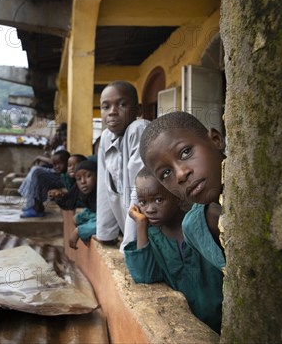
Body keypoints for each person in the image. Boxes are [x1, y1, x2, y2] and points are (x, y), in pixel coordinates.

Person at [124, 167, 223, 333]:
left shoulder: (201, 224)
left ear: (177, 197)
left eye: (158, 199)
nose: (149, 209)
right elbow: (144, 276)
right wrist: (141, 225)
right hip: (190, 330)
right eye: (143, 202)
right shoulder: (153, 237)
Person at [139, 111, 226, 271]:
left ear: (216, 140)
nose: (180, 175)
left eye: (185, 152)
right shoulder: (193, 228)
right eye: (166, 173)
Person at [96, 81, 149, 251]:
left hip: (150, 227)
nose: (112, 112)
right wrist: (105, 233)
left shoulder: (138, 129)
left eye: (122, 104)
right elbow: (104, 189)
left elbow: (140, 189)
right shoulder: (105, 137)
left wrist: (129, 244)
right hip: (128, 227)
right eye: (106, 107)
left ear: (138, 110)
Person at [19, 150, 70, 218]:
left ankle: (35, 208)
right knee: (35, 170)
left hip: (61, 180)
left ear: (67, 162)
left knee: (38, 172)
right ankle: (37, 206)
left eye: (59, 163)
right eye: (54, 164)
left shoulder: (69, 170)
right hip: (58, 177)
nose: (57, 166)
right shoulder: (59, 169)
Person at [68, 160, 98, 250]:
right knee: (77, 218)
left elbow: (109, 222)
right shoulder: (88, 196)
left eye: (88, 176)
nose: (83, 182)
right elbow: (92, 210)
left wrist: (79, 231)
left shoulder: (104, 195)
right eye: (78, 178)